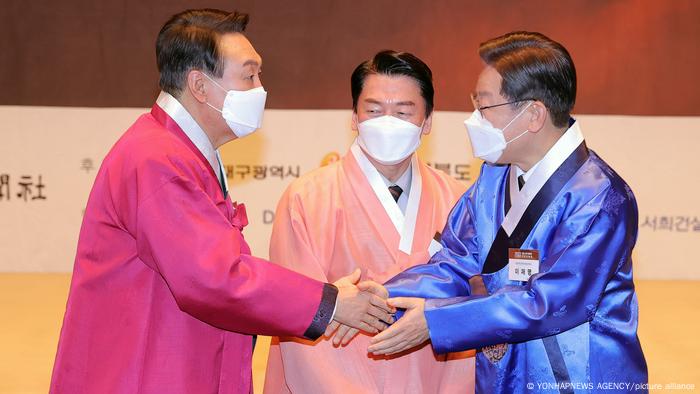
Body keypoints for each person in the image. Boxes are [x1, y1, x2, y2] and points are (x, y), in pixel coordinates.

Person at [49, 9, 392, 394]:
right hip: (145, 373)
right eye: (249, 75)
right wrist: (329, 303)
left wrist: (329, 301)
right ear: (199, 85)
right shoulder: (156, 160)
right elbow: (214, 277)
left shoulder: (179, 150)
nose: (260, 88)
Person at [366, 32, 649, 393]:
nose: (474, 119)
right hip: (505, 374)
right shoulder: (495, 175)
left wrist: (438, 320)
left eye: (484, 108)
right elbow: (456, 260)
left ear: (533, 115)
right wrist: (379, 297)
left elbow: (549, 303)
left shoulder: (602, 199)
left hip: (578, 379)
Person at [263, 50, 475, 393]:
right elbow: (297, 319)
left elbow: (471, 312)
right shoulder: (306, 198)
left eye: (403, 112)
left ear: (428, 121)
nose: (387, 121)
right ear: (354, 116)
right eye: (374, 110)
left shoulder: (459, 201)